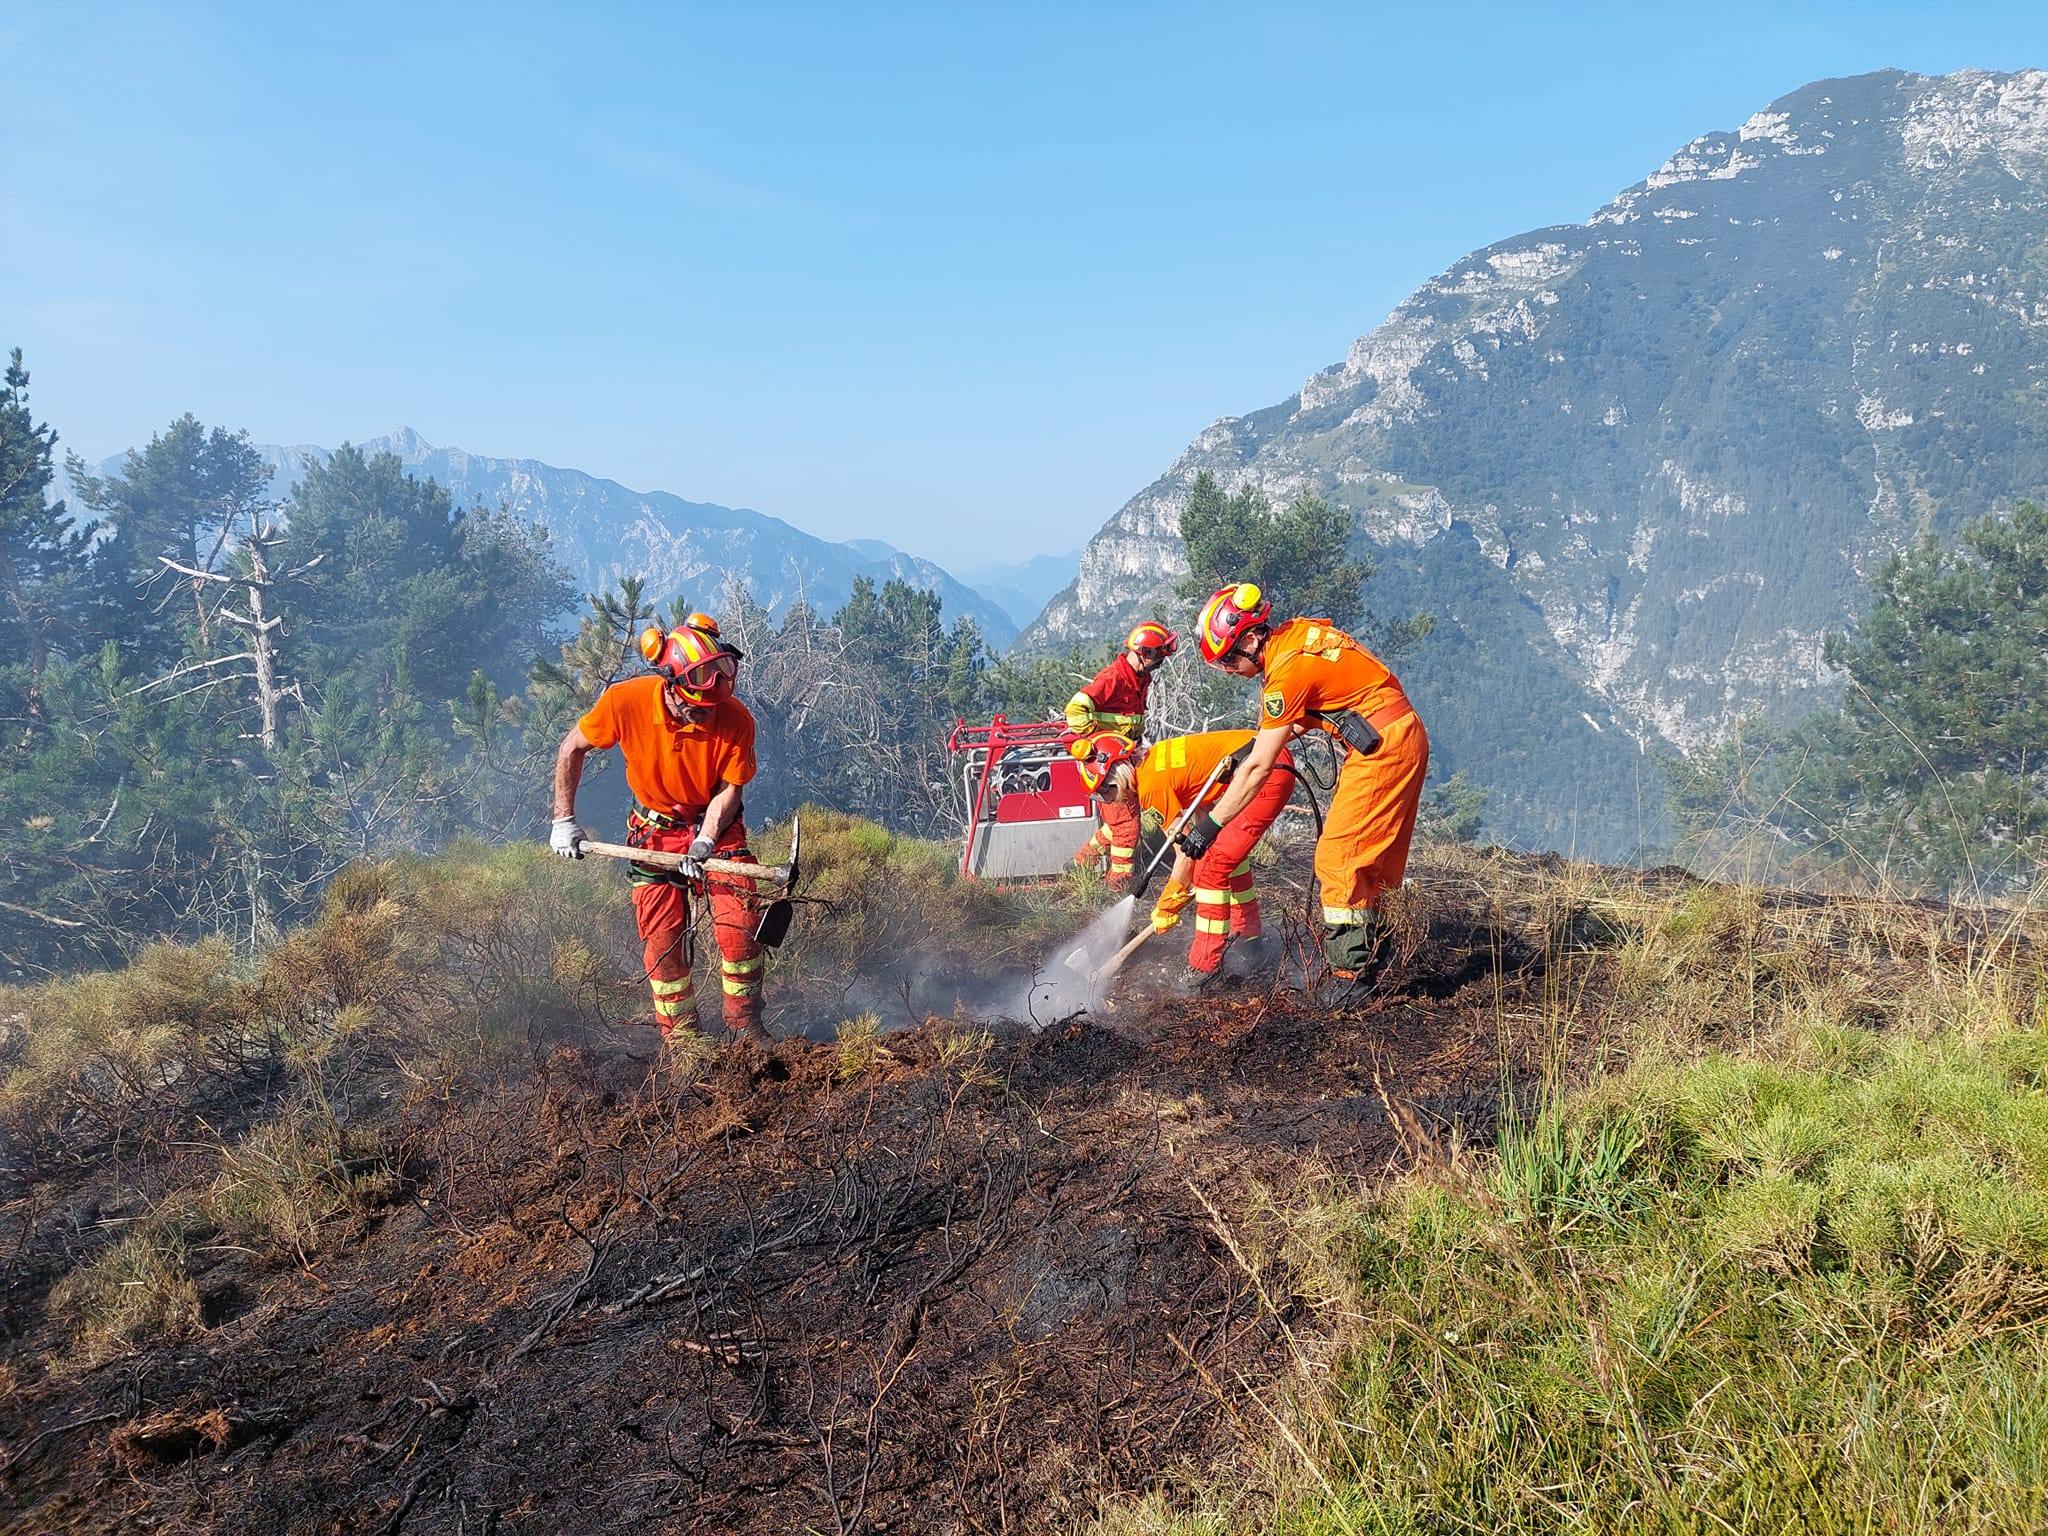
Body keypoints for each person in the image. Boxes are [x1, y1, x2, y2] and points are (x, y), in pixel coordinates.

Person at [1187, 582, 1428, 992]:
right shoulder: (1297, 637)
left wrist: (1210, 825)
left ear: (1248, 638)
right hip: (1399, 734)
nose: (1229, 670)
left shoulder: (1286, 671)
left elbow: (1261, 767)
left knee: (1339, 858)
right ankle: (1376, 955)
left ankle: (1350, 981)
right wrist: (1257, 742)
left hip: (1382, 747)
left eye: (1228, 660)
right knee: (1375, 861)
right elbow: (1307, 713)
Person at [550, 613, 768, 1040]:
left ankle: (746, 1030)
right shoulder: (625, 702)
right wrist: (563, 820)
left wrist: (704, 840)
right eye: (698, 707)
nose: (708, 715)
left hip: (717, 828)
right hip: (654, 832)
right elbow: (571, 748)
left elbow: (730, 790)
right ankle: (683, 1044)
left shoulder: (736, 718)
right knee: (662, 946)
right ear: (671, 685)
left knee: (740, 928)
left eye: (714, 707)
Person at [1072, 728, 1297, 994]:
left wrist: (1168, 905)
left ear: (1117, 776)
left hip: (1266, 770)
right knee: (1224, 856)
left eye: (1104, 793)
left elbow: (1186, 856)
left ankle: (1204, 968)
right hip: (1267, 758)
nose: (1107, 800)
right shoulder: (1153, 764)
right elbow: (1202, 802)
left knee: (1210, 868)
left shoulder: (1151, 786)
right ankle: (1248, 939)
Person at [1066, 621, 1177, 888]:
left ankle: (1083, 860)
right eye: (1158, 654)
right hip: (1109, 766)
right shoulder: (1113, 677)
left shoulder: (1139, 678)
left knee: (1117, 821)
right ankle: (1119, 883)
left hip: (1123, 759)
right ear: (1143, 653)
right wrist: (1103, 742)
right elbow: (1075, 711)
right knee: (1127, 825)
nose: (1161, 660)